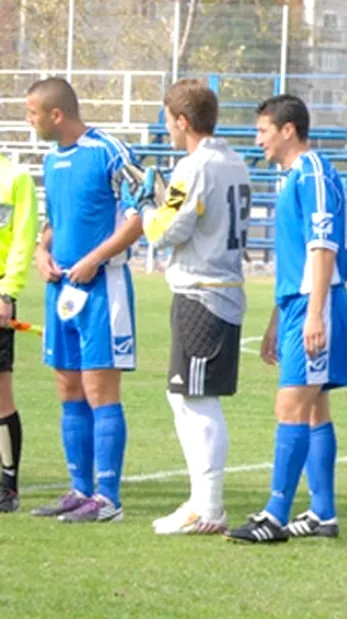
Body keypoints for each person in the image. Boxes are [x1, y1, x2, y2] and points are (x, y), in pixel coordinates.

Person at [225, 94, 347, 543]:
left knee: (292, 406)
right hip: (300, 303)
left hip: (317, 303)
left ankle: (275, 513)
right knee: (314, 408)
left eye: (263, 130)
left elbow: (323, 248)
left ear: (288, 130)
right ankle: (322, 512)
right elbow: (298, 256)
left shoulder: (314, 174)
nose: (257, 139)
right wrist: (279, 318)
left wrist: (315, 312)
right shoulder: (293, 177)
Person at [138, 79, 252, 535]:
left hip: (203, 290)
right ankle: (202, 502)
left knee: (196, 398)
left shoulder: (195, 165)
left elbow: (167, 230)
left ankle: (208, 506)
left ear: (183, 121)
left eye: (168, 120)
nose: (167, 128)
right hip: (216, 286)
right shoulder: (234, 161)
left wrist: (145, 208)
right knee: (183, 395)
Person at [26, 78, 141, 523]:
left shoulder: (110, 151)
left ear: (57, 114)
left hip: (102, 288)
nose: (28, 121)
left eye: (32, 113)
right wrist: (42, 251)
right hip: (62, 290)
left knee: (99, 389)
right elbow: (54, 221)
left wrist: (94, 259)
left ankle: (108, 498)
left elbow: (140, 218)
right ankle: (80, 489)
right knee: (67, 387)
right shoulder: (52, 159)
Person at [0, 153, 38, 513]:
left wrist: (7, 293)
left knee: (0, 397)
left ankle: (7, 486)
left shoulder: (14, 178)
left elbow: (23, 240)